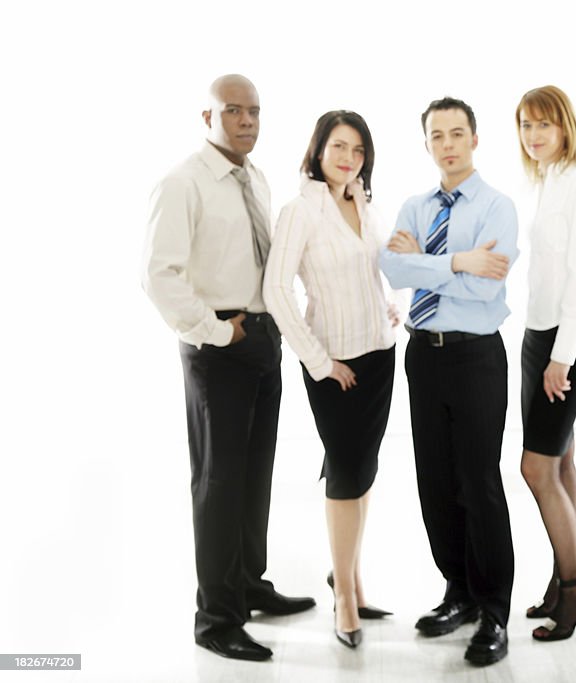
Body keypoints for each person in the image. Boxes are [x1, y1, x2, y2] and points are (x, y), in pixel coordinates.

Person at [141, 74, 315, 662]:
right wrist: (218, 331)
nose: (246, 121)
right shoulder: (182, 182)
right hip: (218, 345)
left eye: (255, 112)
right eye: (233, 111)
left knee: (255, 473)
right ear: (207, 116)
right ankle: (215, 618)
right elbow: (159, 275)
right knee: (218, 482)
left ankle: (247, 585)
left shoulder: (256, 178)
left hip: (263, 340)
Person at [379, 96, 518, 667]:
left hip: (476, 358)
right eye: (437, 136)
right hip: (424, 356)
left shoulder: (497, 207)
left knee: (479, 482)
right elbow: (391, 268)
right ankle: (457, 592)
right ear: (428, 144)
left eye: (457, 133)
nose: (448, 144)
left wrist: (431, 266)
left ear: (475, 140)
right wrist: (460, 262)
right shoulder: (414, 206)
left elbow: (488, 289)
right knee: (434, 480)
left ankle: (493, 610)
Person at [262, 110, 399, 650]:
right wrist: (320, 362)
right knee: (345, 475)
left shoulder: (364, 202)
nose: (349, 158)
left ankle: (354, 580)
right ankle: (343, 594)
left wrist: (389, 305)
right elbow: (277, 291)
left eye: (358, 150)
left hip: (379, 356)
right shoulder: (301, 211)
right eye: (339, 147)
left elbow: (371, 269)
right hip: (335, 367)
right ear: (318, 149)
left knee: (363, 471)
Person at [514, 85, 576, 641]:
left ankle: (574, 591)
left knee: (536, 467)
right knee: (561, 464)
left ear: (565, 126)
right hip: (536, 336)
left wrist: (560, 358)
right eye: (525, 125)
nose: (534, 135)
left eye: (544, 124)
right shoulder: (545, 183)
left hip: (563, 343)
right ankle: (560, 576)